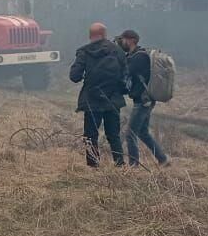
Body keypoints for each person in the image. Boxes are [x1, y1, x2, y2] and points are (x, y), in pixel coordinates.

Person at [69, 22, 126, 167]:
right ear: (104, 34)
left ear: (90, 35)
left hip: (92, 100)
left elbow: (74, 76)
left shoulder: (84, 52)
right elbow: (125, 75)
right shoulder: (117, 51)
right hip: (113, 99)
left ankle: (93, 166)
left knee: (90, 136)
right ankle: (120, 164)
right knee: (113, 135)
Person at [118, 30, 170, 167]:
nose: (121, 43)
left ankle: (133, 166)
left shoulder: (138, 57)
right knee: (143, 132)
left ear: (131, 40)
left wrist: (118, 55)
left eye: (123, 40)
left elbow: (125, 70)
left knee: (130, 134)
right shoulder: (137, 55)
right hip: (145, 100)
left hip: (143, 101)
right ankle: (163, 159)